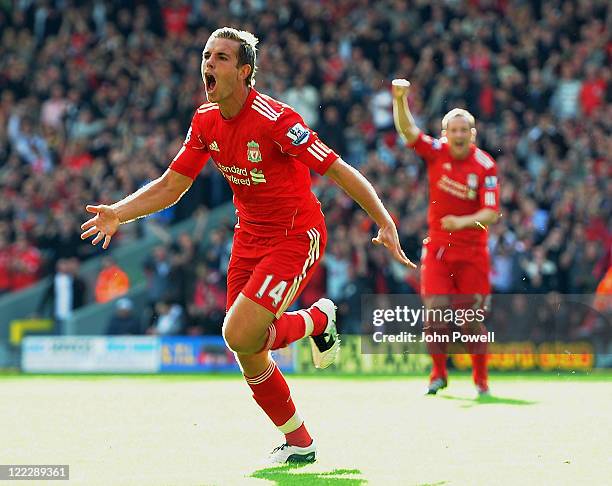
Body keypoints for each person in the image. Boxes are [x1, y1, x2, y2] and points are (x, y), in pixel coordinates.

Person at [81, 27, 414, 463]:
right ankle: (301, 438)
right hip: (249, 236)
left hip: (297, 234)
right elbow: (171, 186)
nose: (209, 64)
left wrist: (384, 220)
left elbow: (336, 168)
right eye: (206, 55)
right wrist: (118, 213)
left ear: (244, 71)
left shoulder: (277, 120)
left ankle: (316, 320)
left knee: (237, 332)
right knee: (246, 347)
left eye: (220, 58)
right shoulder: (205, 120)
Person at [391, 79, 500, 397]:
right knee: (435, 313)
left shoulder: (485, 166)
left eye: (464, 130)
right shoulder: (436, 153)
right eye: (453, 130)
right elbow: (409, 133)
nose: (459, 135)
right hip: (437, 250)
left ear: (473, 134)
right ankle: (438, 375)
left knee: (470, 321)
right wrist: (400, 100)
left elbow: (491, 213)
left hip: (472, 254)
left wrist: (461, 221)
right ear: (444, 134)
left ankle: (481, 380)